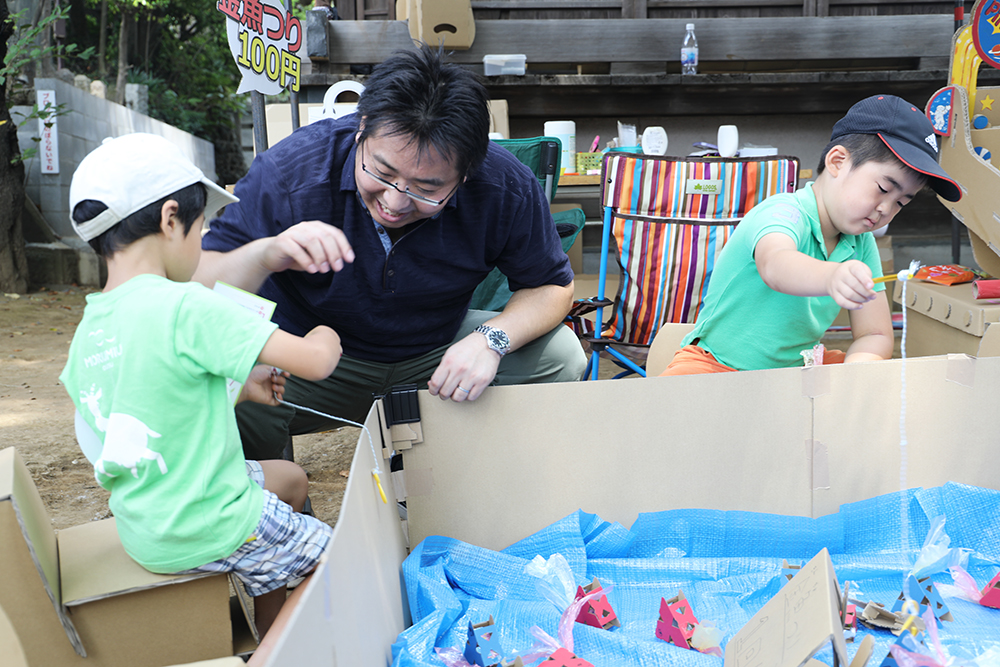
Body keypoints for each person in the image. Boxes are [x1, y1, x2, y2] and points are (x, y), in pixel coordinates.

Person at [195, 44, 587, 461]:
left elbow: (552, 287)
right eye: (381, 173)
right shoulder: (292, 172)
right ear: (362, 128)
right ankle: (275, 508)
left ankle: (485, 482)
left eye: (427, 188)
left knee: (560, 356)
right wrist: (266, 253)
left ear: (467, 171)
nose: (396, 203)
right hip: (311, 361)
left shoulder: (504, 185)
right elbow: (200, 277)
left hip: (435, 351)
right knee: (220, 373)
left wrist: (491, 340)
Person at [59, 133, 342, 660]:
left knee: (290, 480)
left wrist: (240, 388)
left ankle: (269, 618)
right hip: (214, 522)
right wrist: (329, 331)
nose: (205, 239)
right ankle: (270, 658)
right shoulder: (187, 306)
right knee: (342, 557)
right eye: (202, 227)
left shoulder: (91, 331)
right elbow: (317, 361)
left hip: (150, 526)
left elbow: (148, 417)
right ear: (171, 218)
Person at [661, 94, 962, 376]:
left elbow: (876, 333)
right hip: (716, 364)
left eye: (901, 202)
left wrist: (856, 371)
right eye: (883, 188)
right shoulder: (784, 213)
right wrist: (831, 277)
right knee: (681, 397)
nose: (886, 208)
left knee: (875, 380)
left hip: (797, 372)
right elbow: (775, 264)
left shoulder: (860, 244)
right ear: (837, 161)